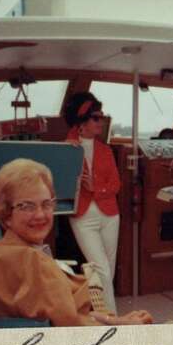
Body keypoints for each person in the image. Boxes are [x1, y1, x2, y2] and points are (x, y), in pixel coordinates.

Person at [0, 158, 151, 326]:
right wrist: (128, 326)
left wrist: (117, 320)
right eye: (27, 206)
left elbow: (60, 313)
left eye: (46, 204)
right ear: (6, 214)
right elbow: (72, 325)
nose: (40, 215)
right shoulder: (36, 263)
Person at [64, 91, 121, 314]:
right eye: (96, 117)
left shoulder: (106, 150)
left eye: (102, 117)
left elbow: (116, 185)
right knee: (102, 269)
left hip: (110, 214)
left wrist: (95, 188)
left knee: (108, 270)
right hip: (83, 216)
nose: (101, 121)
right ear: (82, 121)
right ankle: (114, 319)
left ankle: (100, 314)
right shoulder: (67, 149)